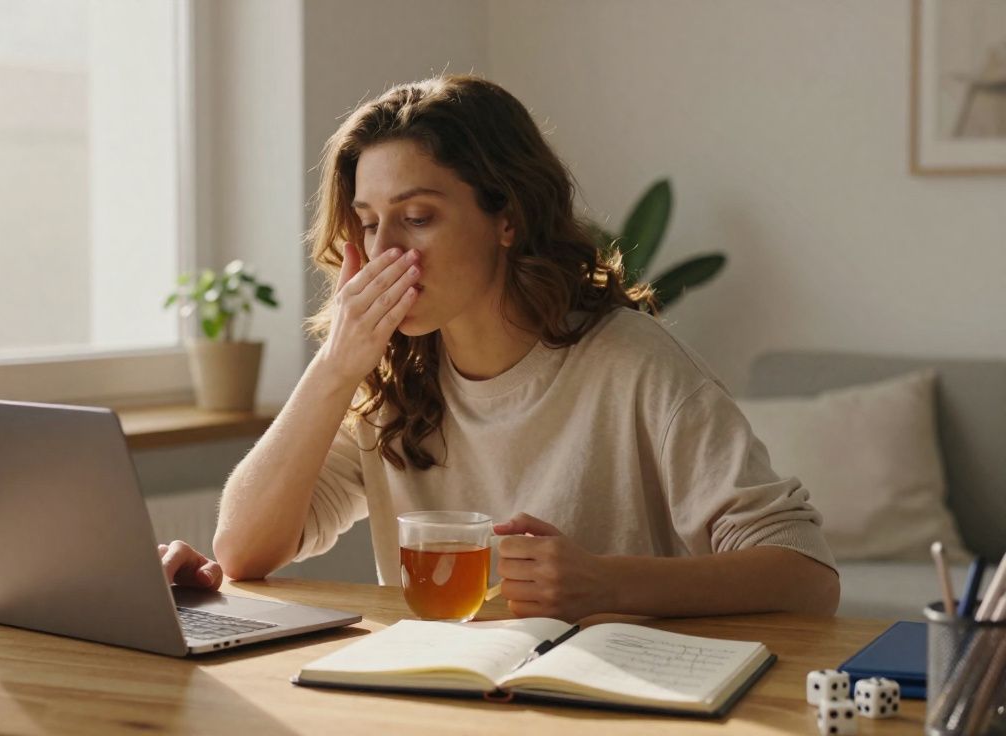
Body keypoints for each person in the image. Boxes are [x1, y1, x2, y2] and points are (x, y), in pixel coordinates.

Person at [158, 74, 839, 621]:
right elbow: (242, 550)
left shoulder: (634, 363)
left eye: (417, 217)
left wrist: (607, 585)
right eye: (368, 224)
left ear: (507, 218)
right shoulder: (392, 377)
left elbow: (805, 574)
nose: (385, 250)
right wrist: (336, 366)